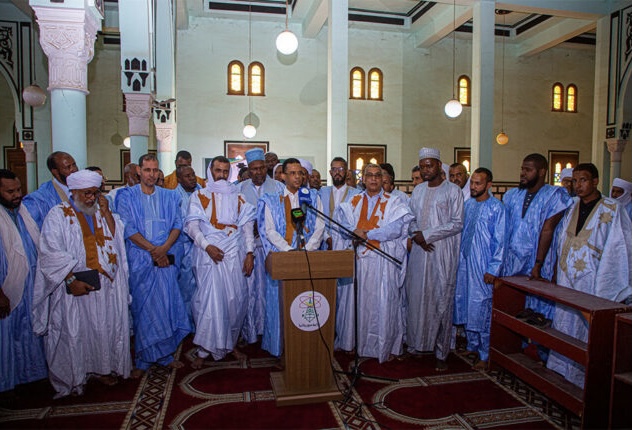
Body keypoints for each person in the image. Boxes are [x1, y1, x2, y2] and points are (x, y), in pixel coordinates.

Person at [33, 169, 131, 398]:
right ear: (74, 191)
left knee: (103, 329)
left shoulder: (100, 211)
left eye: (95, 193)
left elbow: (116, 240)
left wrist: (106, 212)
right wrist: (70, 280)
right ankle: (76, 376)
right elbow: (50, 253)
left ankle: (103, 369)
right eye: (87, 193)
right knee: (75, 332)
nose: (91, 198)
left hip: (105, 286)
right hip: (75, 287)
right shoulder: (58, 215)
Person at [547, 163, 632, 387]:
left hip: (593, 279)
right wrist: (555, 269)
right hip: (567, 277)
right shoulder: (572, 206)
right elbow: (561, 240)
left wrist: (606, 284)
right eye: (575, 181)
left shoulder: (613, 209)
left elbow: (620, 248)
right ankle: (560, 371)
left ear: (595, 181)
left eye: (583, 180)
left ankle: (584, 380)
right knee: (564, 322)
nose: (578, 185)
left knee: (587, 330)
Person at [116, 154, 191, 377]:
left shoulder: (169, 196)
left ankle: (166, 355)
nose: (151, 174)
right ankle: (143, 358)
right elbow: (128, 229)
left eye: (155, 170)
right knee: (144, 310)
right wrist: (153, 250)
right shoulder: (126, 196)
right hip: (141, 262)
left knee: (166, 306)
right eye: (147, 170)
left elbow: (177, 224)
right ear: (139, 171)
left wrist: (164, 249)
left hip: (166, 259)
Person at [333, 163, 412, 362]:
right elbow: (342, 224)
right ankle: (353, 342)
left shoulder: (394, 202)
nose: (374, 179)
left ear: (383, 178)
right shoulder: (353, 201)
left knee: (383, 303)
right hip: (358, 261)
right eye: (370, 175)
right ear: (363, 179)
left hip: (382, 261)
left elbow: (395, 229)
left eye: (378, 175)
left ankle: (383, 346)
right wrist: (354, 231)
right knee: (356, 302)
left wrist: (367, 234)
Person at [185, 156, 256, 366]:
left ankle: (230, 344)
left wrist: (250, 253)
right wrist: (208, 247)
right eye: (218, 171)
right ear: (211, 171)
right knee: (208, 302)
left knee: (235, 302)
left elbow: (247, 228)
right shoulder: (199, 196)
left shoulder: (239, 196)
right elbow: (192, 227)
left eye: (226, 171)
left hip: (234, 254)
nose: (222, 175)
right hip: (208, 255)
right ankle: (204, 350)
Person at [257, 158, 325, 357]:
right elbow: (269, 230)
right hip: (283, 259)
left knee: (305, 303)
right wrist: (288, 251)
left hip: (308, 257)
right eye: (293, 173)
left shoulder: (312, 196)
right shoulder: (270, 199)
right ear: (283, 176)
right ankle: (281, 347)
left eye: (300, 173)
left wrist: (307, 250)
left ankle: (306, 346)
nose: (297, 177)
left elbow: (320, 225)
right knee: (281, 304)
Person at [405, 147, 463, 371]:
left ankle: (441, 351)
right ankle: (417, 345)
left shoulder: (453, 191)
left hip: (442, 252)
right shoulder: (418, 190)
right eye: (422, 167)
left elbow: (457, 223)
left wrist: (427, 235)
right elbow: (410, 218)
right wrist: (416, 235)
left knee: (441, 300)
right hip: (420, 253)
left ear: (439, 165)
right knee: (417, 299)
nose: (425, 170)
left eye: (429, 165)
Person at [501, 153, 572, 320]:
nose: (523, 173)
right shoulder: (512, 195)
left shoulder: (555, 195)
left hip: (539, 259)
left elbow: (548, 230)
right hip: (513, 259)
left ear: (542, 172)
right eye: (522, 169)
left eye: (528, 170)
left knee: (538, 310)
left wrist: (538, 263)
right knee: (513, 306)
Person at [453, 168, 506, 371]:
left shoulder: (497, 208)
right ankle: (472, 346)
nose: (474, 187)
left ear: (489, 185)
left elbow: (501, 241)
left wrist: (494, 268)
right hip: (465, 263)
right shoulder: (468, 205)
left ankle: (485, 353)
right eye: (472, 183)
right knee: (467, 305)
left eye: (478, 183)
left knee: (482, 308)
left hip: (483, 266)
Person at [0, 169, 47, 392]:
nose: (17, 195)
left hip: (30, 287)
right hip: (6, 288)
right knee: (7, 336)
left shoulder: (24, 213)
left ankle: (30, 376)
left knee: (29, 330)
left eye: (18, 189)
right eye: (10, 191)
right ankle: (6, 384)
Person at [238, 148, 284, 344]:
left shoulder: (278, 187)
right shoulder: (239, 189)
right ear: (248, 169)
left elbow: (283, 217)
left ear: (266, 168)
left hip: (271, 248)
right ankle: (250, 331)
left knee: (269, 290)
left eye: (261, 168)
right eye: (254, 169)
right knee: (249, 290)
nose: (258, 172)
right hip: (248, 248)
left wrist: (264, 226)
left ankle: (270, 330)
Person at [174, 165, 203, 327]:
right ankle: (187, 326)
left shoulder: (202, 192)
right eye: (187, 176)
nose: (192, 178)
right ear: (179, 179)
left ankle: (201, 325)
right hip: (185, 250)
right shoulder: (174, 197)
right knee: (186, 290)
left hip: (203, 248)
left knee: (202, 289)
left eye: (193, 174)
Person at [22, 151, 78, 228]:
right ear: (55, 172)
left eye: (74, 165)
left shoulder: (82, 188)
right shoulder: (39, 199)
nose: (74, 170)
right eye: (67, 167)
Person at [319, 157, 361, 250]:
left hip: (347, 243)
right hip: (325, 242)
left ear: (346, 172)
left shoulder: (356, 194)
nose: (337, 172)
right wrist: (327, 238)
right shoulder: (322, 192)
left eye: (341, 169)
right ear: (330, 172)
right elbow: (318, 219)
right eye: (334, 169)